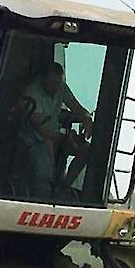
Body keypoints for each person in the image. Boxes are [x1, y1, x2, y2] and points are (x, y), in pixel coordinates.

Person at [15, 62, 94, 199]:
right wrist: (66, 138)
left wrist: (86, 119)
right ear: (43, 78)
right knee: (47, 156)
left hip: (56, 137)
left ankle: (63, 187)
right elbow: (41, 130)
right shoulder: (32, 93)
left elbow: (75, 106)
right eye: (52, 83)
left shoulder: (60, 87)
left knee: (86, 150)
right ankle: (46, 192)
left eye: (58, 83)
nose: (56, 88)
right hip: (34, 139)